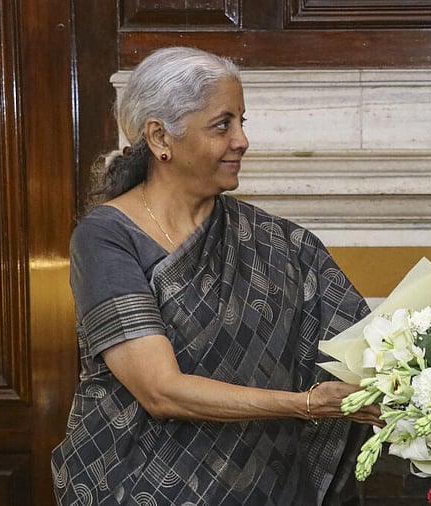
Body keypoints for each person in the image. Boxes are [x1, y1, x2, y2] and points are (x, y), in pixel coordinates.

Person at [50, 46, 382, 505]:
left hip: (266, 485)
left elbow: (366, 343)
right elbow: (161, 391)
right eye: (223, 124)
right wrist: (305, 405)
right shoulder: (106, 237)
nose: (242, 140)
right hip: (137, 484)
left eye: (243, 122)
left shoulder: (277, 241)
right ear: (160, 138)